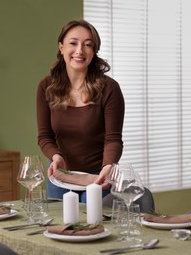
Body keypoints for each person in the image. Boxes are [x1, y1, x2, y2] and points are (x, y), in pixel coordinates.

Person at [36, 20, 125, 202]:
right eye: (73, 43)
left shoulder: (109, 88)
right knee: (61, 228)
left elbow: (113, 139)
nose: (79, 51)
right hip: (60, 174)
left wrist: (109, 167)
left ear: (94, 51)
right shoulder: (46, 86)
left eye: (88, 45)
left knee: (93, 225)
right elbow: (45, 136)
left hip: (98, 175)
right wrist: (55, 156)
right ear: (61, 47)